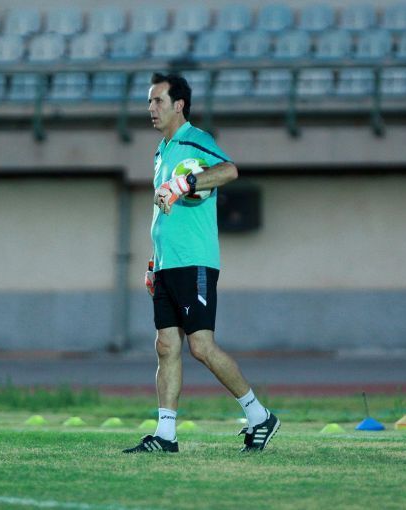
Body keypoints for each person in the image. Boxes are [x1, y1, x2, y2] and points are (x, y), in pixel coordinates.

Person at [122, 73, 279, 454]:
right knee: (166, 346)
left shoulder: (196, 140)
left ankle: (259, 415)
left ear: (179, 105)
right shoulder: (162, 151)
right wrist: (153, 262)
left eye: (158, 101)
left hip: (194, 262)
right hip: (166, 265)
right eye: (149, 101)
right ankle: (166, 435)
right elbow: (163, 215)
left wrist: (185, 184)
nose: (151, 108)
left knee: (201, 347)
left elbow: (229, 170)